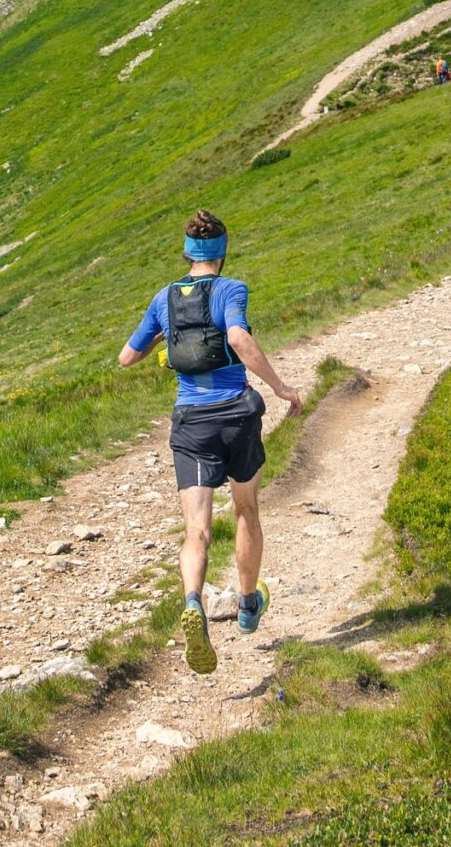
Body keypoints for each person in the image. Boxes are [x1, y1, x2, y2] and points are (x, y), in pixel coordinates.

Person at [119, 209, 303, 673]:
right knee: (245, 510)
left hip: (192, 424)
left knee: (197, 530)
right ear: (221, 254)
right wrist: (281, 388)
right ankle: (246, 606)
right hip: (236, 418)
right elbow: (238, 337)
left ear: (187, 253)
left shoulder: (164, 297)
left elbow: (126, 358)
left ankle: (194, 603)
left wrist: (167, 334)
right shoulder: (230, 289)